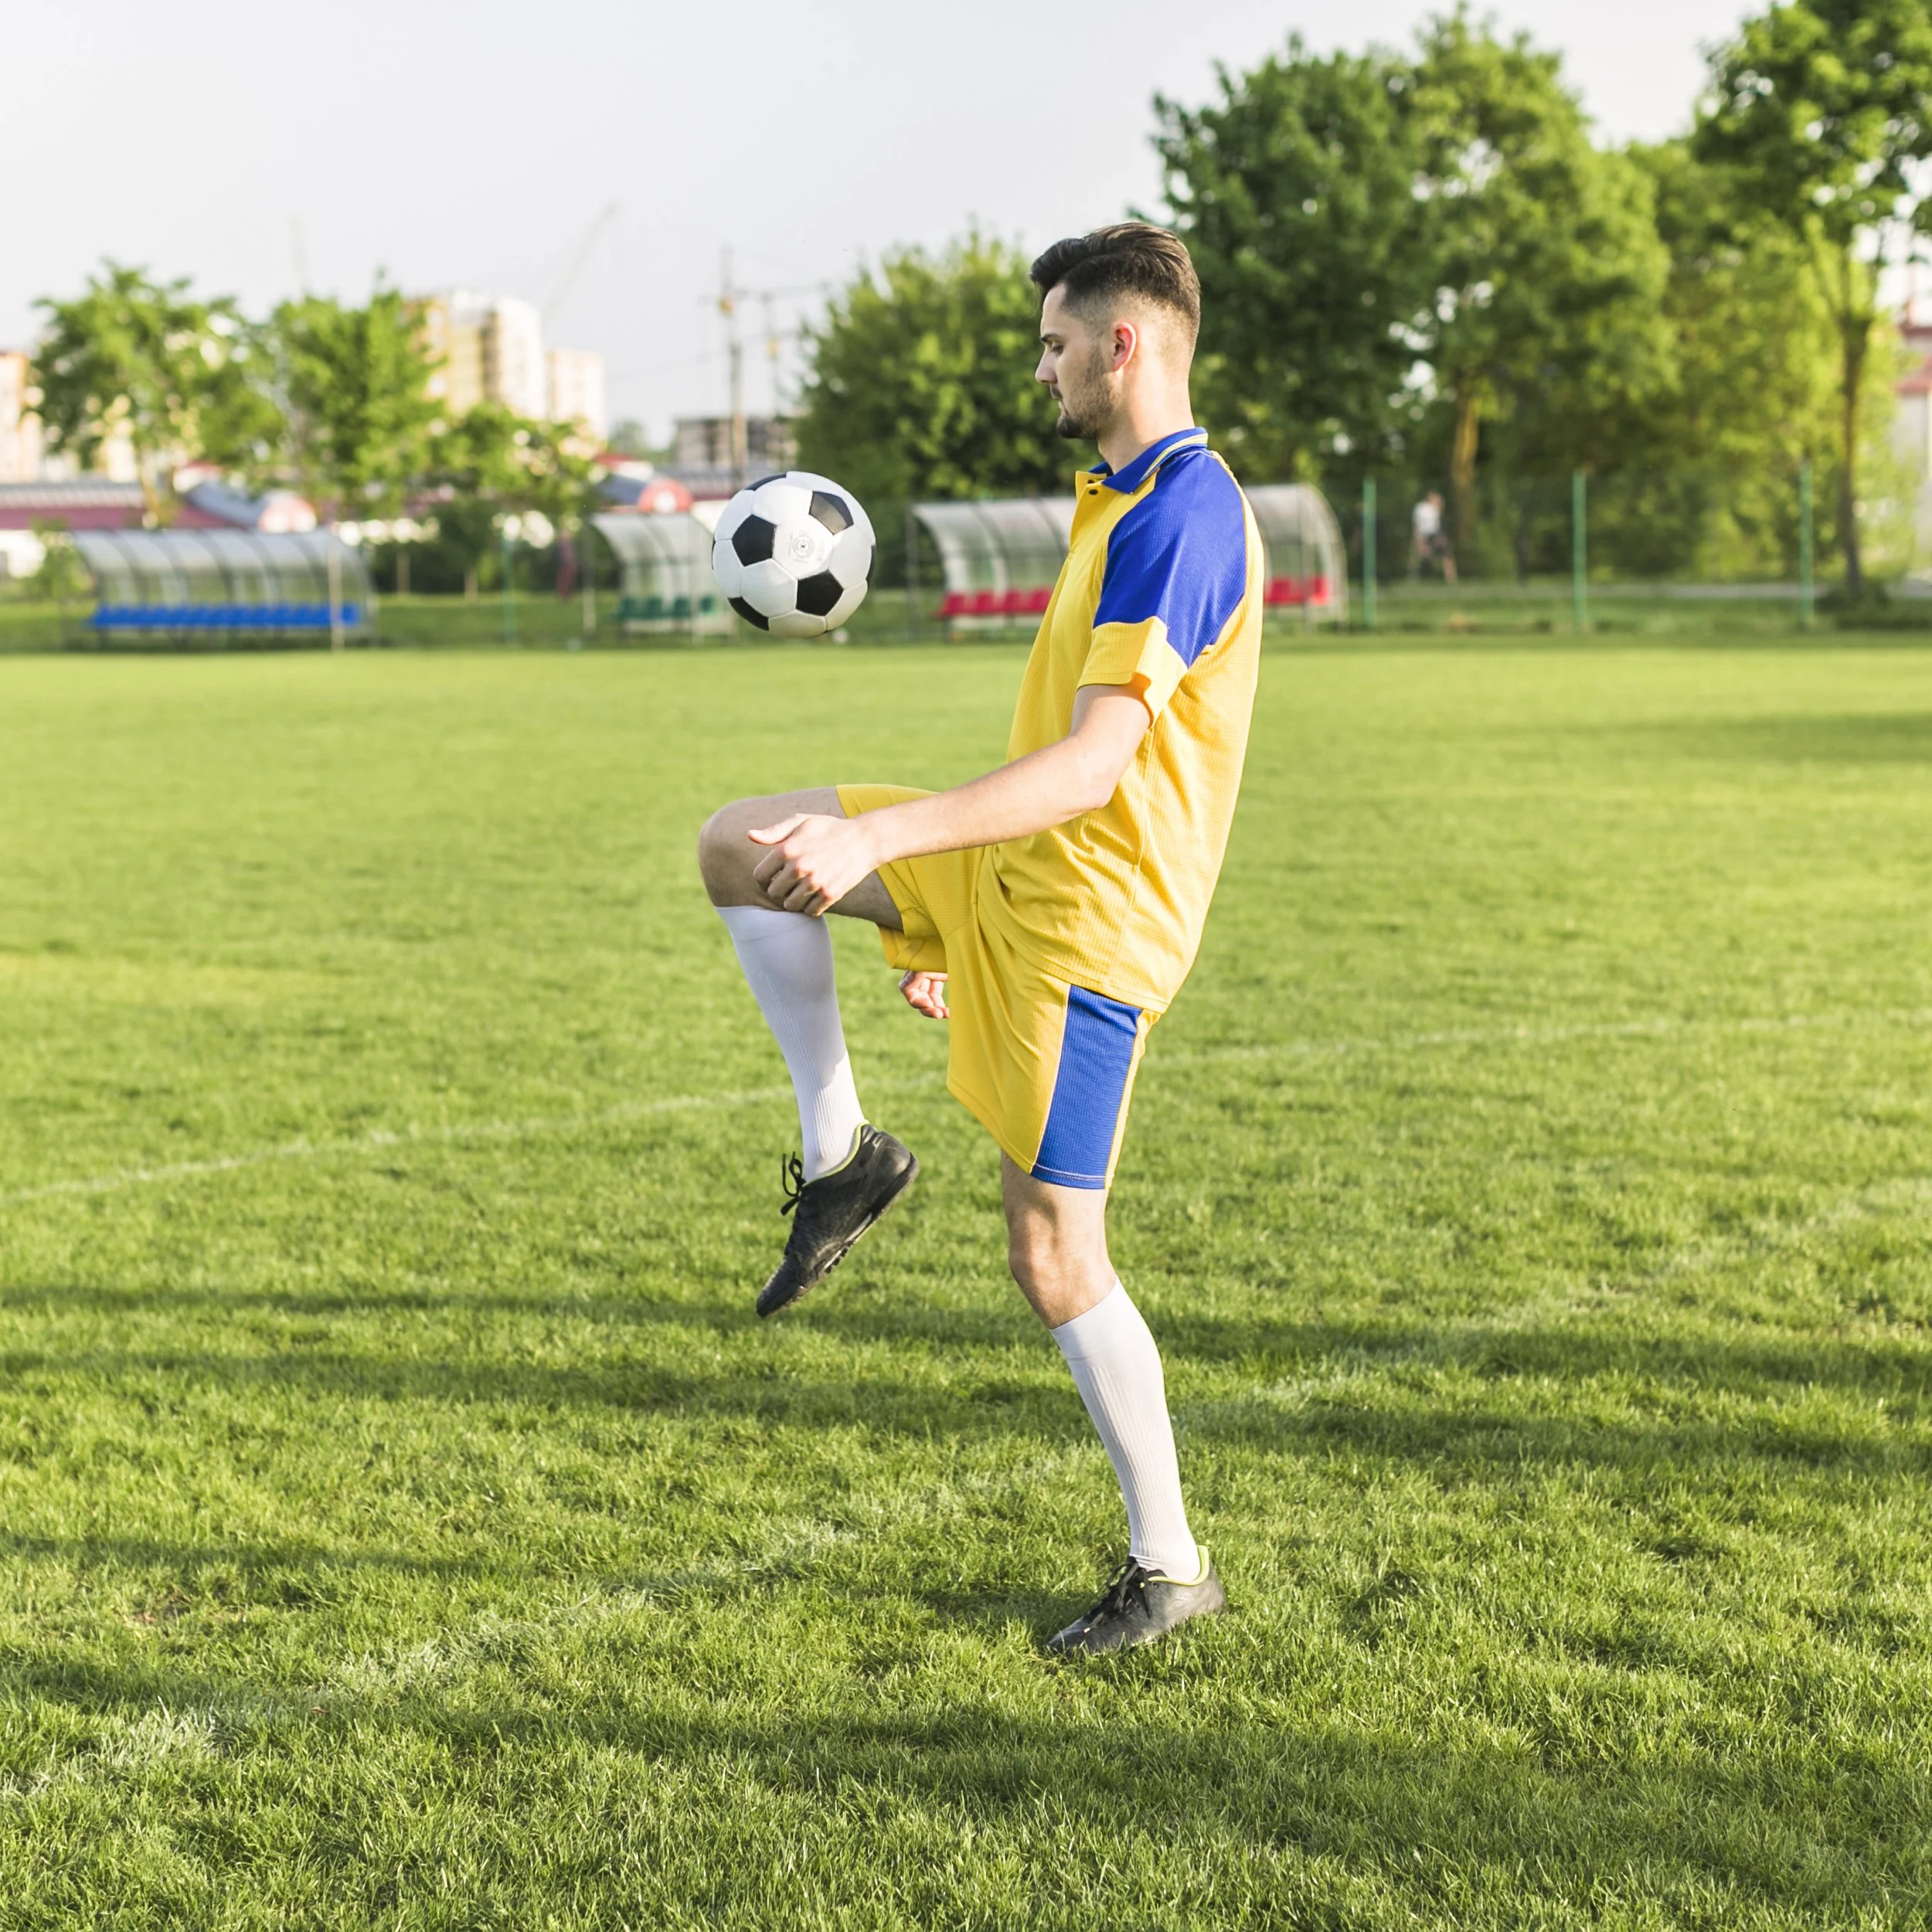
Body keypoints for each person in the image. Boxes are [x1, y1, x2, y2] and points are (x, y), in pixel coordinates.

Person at [697, 222, 1262, 1655]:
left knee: (1053, 1251)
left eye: (1055, 344)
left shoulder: (1183, 517)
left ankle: (1170, 1563)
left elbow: (1094, 769)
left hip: (1087, 934)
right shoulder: (1117, 495)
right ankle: (844, 1162)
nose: (1043, 369)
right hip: (1012, 880)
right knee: (740, 850)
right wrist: (936, 887)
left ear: (1123, 343)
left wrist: (887, 842)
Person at [1410, 490, 1457, 583]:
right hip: (1426, 535)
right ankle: (1449, 578)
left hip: (1434, 535)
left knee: (1447, 554)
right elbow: (1417, 524)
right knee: (1437, 553)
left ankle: (1451, 578)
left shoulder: (1434, 508)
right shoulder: (1421, 508)